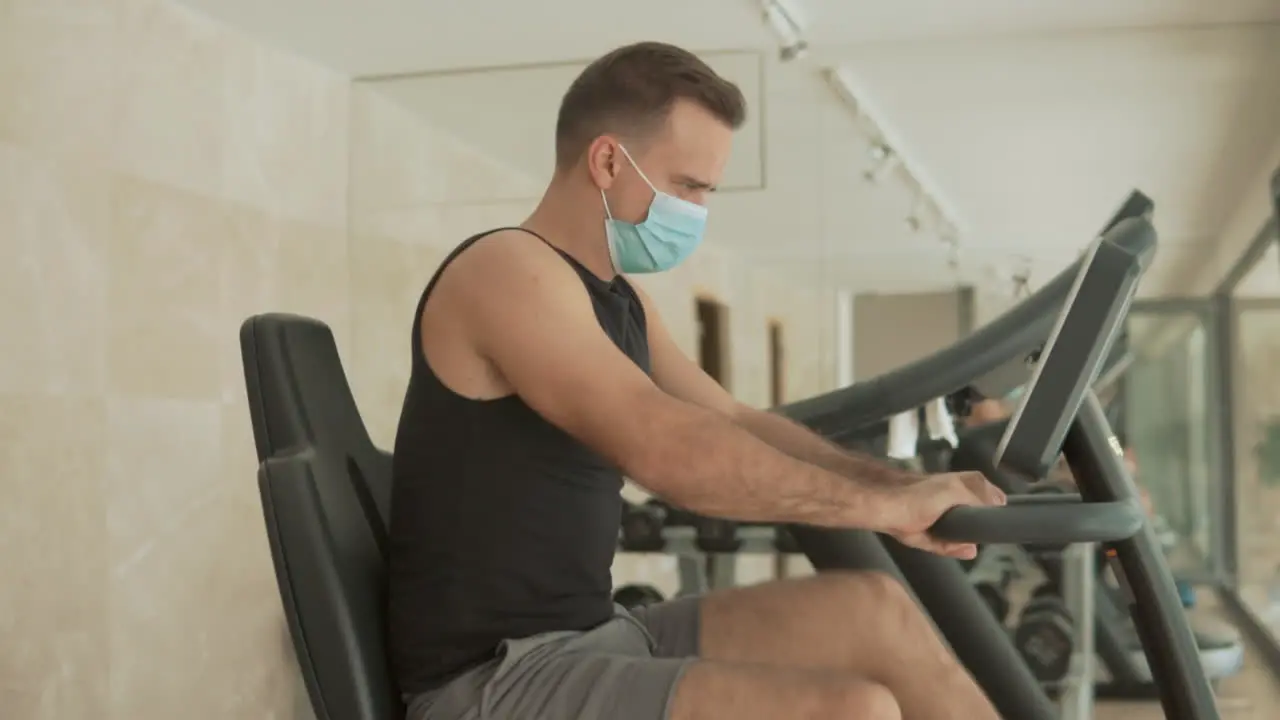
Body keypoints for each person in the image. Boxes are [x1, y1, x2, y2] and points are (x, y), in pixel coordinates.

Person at [386, 41, 1007, 720]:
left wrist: (901, 487)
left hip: (594, 637)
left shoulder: (621, 301)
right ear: (607, 160)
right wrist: (879, 512)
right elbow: (669, 448)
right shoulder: (506, 269)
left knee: (874, 609)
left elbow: (733, 420)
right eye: (688, 186)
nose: (699, 209)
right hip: (495, 682)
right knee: (853, 711)